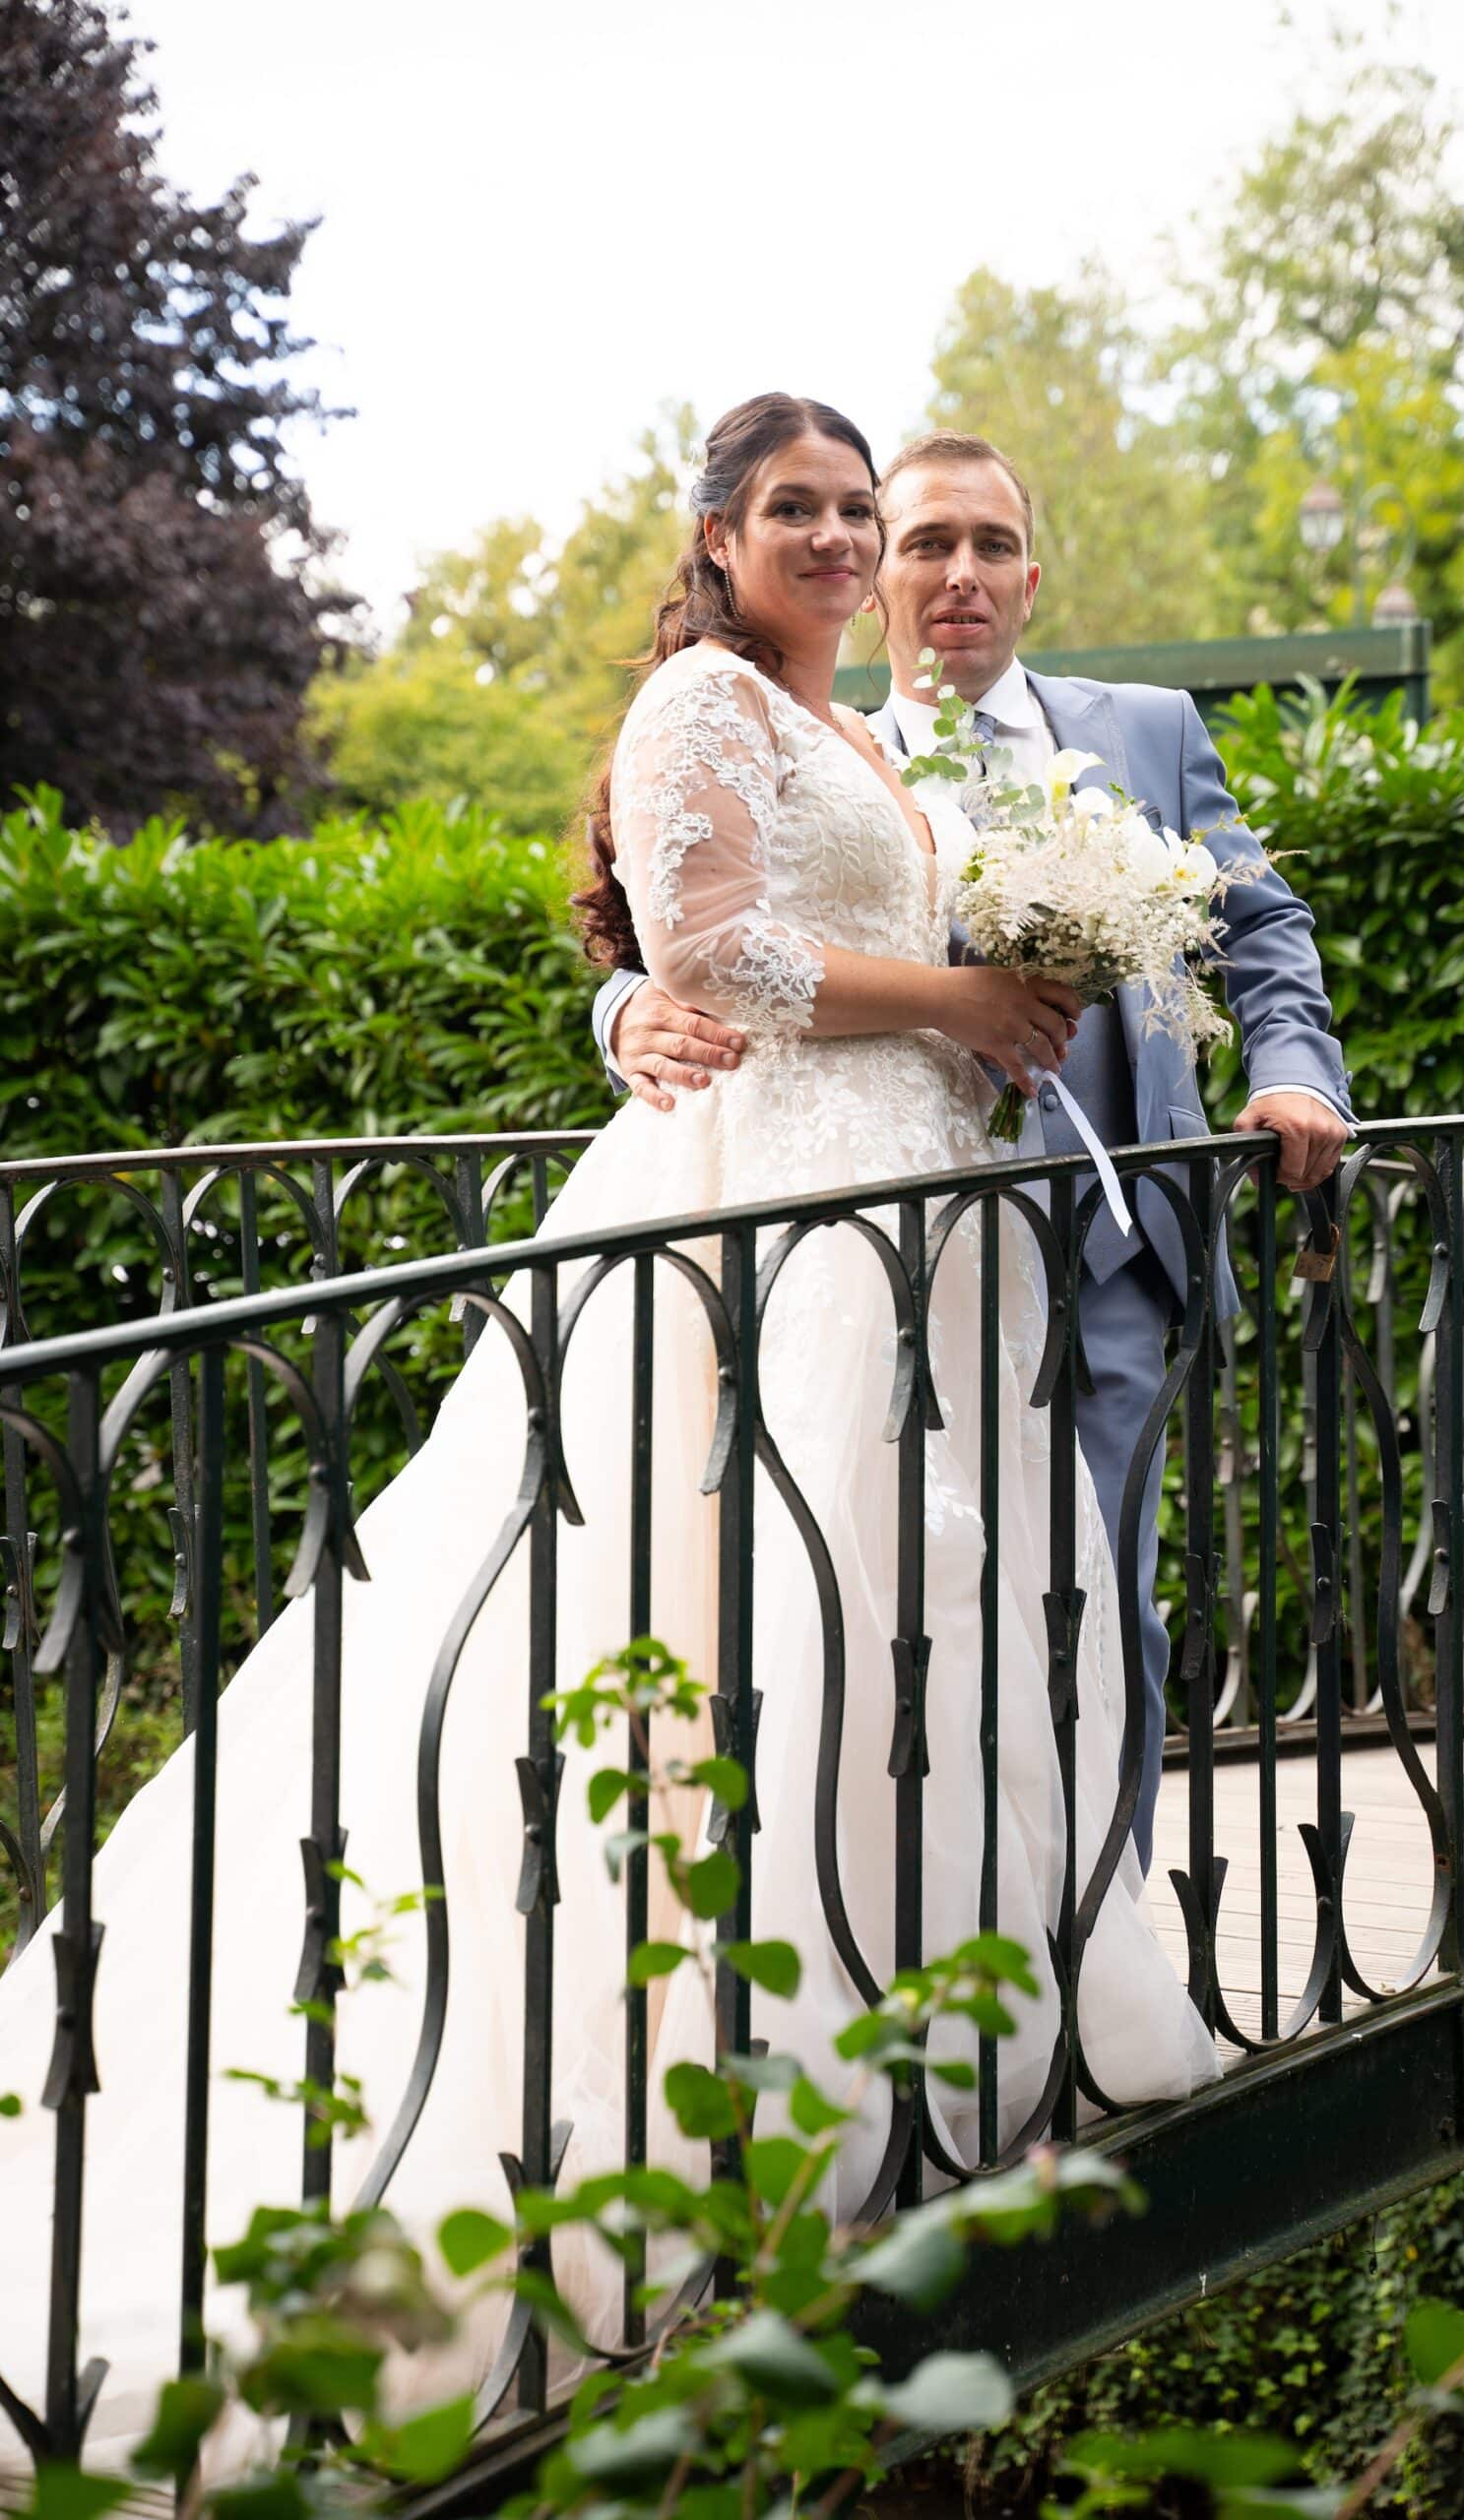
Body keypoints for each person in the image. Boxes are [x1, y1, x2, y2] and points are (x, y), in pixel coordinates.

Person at [0, 395, 1217, 2476]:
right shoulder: (700, 697)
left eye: (860, 508)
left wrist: (999, 1016)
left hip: (929, 1213)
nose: (842, 539)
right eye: (801, 510)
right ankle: (701, 2080)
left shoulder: (866, 737)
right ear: (723, 535)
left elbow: (783, 932)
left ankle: (915, 2034)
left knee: (916, 1612)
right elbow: (714, 952)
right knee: (725, 1618)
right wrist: (954, 1011)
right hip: (780, 1219)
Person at [589, 429, 1354, 1873]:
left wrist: (1296, 1073)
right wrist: (625, 1010)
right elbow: (683, 922)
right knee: (894, 1604)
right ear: (882, 577)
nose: (959, 573)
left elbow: (1260, 925)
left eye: (990, 545)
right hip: (883, 1238)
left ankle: (1098, 1926)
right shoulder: (820, 737)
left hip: (1111, 1239)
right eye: (928, 541)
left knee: (1094, 1596)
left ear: (1032, 576)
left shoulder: (1144, 729)